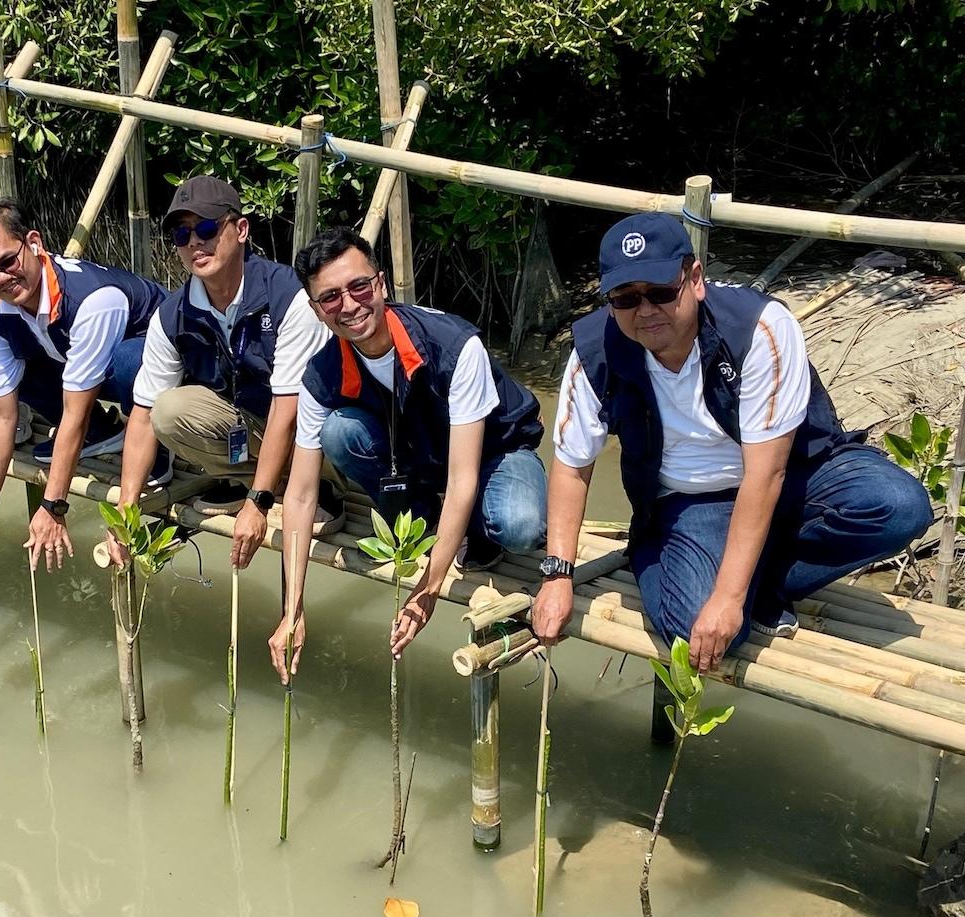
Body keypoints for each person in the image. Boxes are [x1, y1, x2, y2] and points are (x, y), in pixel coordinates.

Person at [531, 212, 933, 673]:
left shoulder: (758, 328)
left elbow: (767, 473)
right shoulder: (593, 351)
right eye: (625, 298)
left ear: (695, 279)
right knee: (693, 634)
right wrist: (557, 576)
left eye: (661, 292)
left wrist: (729, 595)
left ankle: (759, 583)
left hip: (794, 472)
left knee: (898, 505)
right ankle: (658, 551)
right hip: (692, 499)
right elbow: (572, 465)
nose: (645, 311)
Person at [268, 227, 548, 682]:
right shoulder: (321, 371)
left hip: (493, 453)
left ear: (380, 284)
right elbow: (299, 497)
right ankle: (429, 517)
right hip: (418, 458)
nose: (350, 305)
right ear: (317, 311)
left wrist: (428, 588)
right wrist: (292, 609)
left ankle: (471, 530)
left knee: (518, 525)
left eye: (359, 286)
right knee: (339, 432)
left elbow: (464, 477)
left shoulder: (454, 346)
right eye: (331, 297)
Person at [106, 176, 345, 572]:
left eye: (206, 228)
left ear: (241, 229)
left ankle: (317, 488)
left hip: (312, 431)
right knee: (168, 409)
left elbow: (289, 410)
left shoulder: (290, 298)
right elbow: (144, 415)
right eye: (182, 235)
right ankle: (257, 482)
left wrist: (258, 504)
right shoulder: (173, 313)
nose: (195, 243)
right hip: (249, 424)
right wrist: (126, 508)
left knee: (326, 422)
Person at [0, 200, 168, 571]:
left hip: (164, 370)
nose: (2, 278)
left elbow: (75, 411)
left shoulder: (92, 300)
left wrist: (53, 506)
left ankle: (160, 455)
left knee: (128, 363)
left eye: (9, 261)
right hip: (81, 365)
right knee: (17, 367)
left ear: (34, 243)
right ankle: (104, 435)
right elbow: (0, 413)